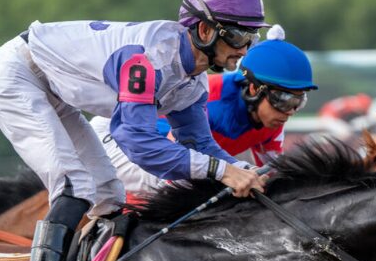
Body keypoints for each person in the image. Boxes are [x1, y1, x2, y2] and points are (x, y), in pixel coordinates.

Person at [0, 0, 272, 261]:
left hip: (55, 89)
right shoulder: (147, 59)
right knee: (74, 186)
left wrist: (245, 169)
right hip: (17, 75)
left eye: (251, 37)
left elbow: (200, 145)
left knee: (108, 193)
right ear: (203, 31)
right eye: (238, 36)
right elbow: (139, 143)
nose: (244, 49)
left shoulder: (192, 80)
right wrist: (222, 171)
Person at [91, 36, 316, 200]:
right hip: (121, 139)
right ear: (255, 89)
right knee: (185, 187)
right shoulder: (213, 102)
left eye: (298, 101)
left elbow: (271, 176)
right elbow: (170, 168)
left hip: (165, 151)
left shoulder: (272, 117)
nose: (289, 112)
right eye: (284, 100)